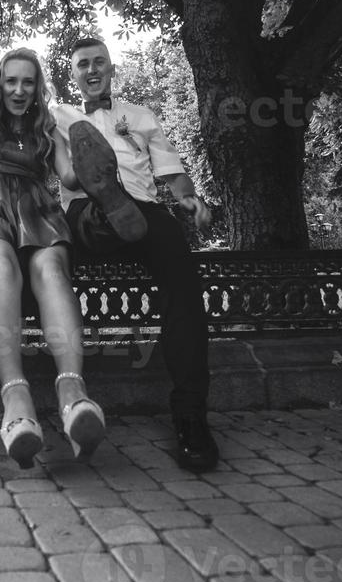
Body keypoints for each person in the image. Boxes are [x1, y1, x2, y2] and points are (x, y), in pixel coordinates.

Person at [0, 27, 107, 468]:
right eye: (10, 80)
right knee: (2, 267)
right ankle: (17, 402)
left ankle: (74, 394)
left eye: (27, 82)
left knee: (51, 271)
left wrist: (97, 169)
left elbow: (69, 178)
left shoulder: (47, 126)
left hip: (37, 211)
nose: (18, 89)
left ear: (37, 88)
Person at [53, 36, 219, 471]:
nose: (91, 71)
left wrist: (189, 199)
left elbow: (172, 171)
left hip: (144, 210)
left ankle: (190, 415)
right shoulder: (59, 116)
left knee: (182, 286)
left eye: (98, 63)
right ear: (72, 75)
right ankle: (108, 201)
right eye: (82, 65)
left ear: (111, 69)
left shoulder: (140, 116)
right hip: (85, 212)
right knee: (90, 215)